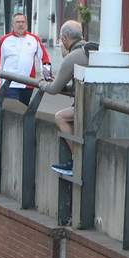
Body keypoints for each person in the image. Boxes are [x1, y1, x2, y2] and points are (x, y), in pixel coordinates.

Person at [37, 20, 91, 177]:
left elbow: (53, 89)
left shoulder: (73, 57)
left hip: (87, 105)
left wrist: (42, 84)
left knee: (60, 117)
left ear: (63, 38)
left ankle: (78, 159)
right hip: (100, 102)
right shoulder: (91, 50)